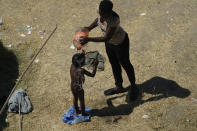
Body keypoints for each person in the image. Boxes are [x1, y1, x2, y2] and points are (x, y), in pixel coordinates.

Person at [80, 0, 139, 100]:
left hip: (120, 43)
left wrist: (88, 39)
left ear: (109, 13)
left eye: (103, 14)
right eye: (100, 13)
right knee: (114, 64)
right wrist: (89, 28)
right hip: (110, 44)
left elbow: (105, 38)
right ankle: (119, 86)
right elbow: (98, 19)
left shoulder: (114, 20)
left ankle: (133, 87)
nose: (101, 16)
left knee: (125, 64)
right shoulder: (101, 12)